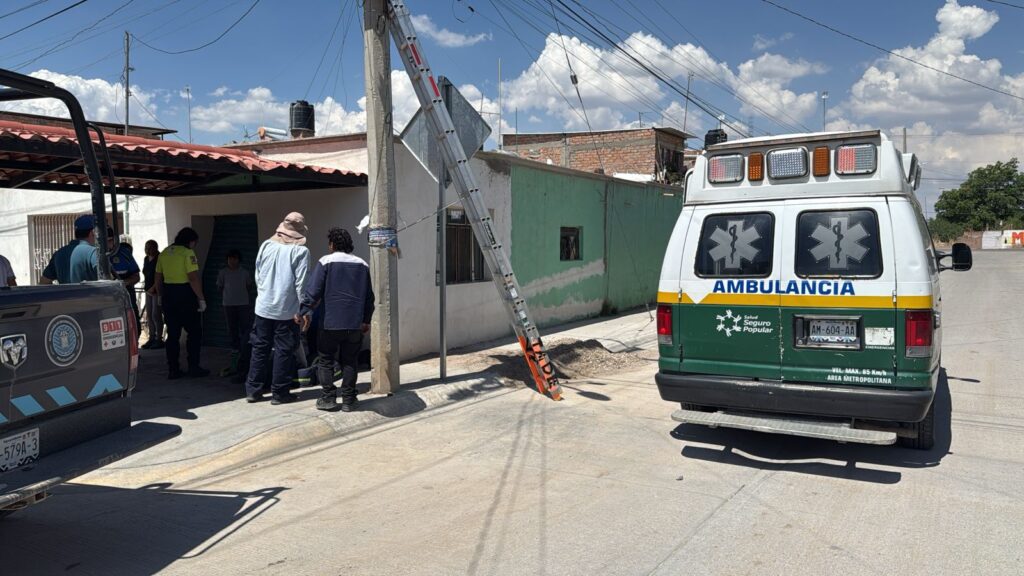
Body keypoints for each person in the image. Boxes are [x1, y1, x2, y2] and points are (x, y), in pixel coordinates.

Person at [299, 227, 374, 412]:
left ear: (332, 244)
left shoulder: (326, 262)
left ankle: (328, 398)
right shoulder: (362, 264)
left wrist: (302, 311)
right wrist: (366, 320)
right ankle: (348, 400)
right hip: (354, 324)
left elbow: (313, 291)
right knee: (350, 361)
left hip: (329, 324)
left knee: (325, 360)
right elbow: (369, 297)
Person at [245, 212, 310, 405]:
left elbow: (257, 274)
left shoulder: (266, 245)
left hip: (263, 306)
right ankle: (280, 393)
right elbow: (301, 283)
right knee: (284, 350)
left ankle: (253, 390)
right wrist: (303, 310)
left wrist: (265, 294)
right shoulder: (300, 252)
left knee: (260, 348)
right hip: (287, 310)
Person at [155, 227, 209, 379]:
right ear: (191, 241)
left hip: (168, 295)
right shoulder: (188, 253)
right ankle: (193, 367)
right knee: (194, 333)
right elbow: (192, 277)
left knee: (172, 335)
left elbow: (158, 277)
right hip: (185, 295)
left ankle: (173, 369)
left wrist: (160, 296)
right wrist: (201, 298)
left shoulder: (165, 252)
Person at [217, 249, 254, 380]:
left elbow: (249, 286)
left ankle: (244, 351)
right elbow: (220, 287)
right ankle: (234, 350)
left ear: (239, 260)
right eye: (230, 259)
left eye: (235, 259)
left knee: (245, 329)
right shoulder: (223, 273)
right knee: (231, 328)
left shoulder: (244, 273)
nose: (232, 261)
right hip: (228, 305)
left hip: (243, 304)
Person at [40, 214, 99, 284]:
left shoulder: (59, 253)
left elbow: (44, 281)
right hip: (93, 295)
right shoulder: (94, 253)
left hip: (64, 295)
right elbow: (110, 282)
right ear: (92, 232)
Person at [108, 228, 141, 329]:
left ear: (114, 239)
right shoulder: (93, 254)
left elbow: (136, 277)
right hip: (106, 299)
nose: (107, 244)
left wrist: (124, 282)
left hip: (125, 295)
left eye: (109, 240)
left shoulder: (124, 253)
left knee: (133, 325)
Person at [142, 240, 164, 349]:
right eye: (146, 248)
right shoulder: (146, 259)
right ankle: (151, 337)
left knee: (156, 314)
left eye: (150, 248)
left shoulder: (160, 258)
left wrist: (154, 287)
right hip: (147, 290)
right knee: (149, 314)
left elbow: (161, 275)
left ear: (155, 248)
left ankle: (159, 338)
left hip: (156, 290)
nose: (147, 250)